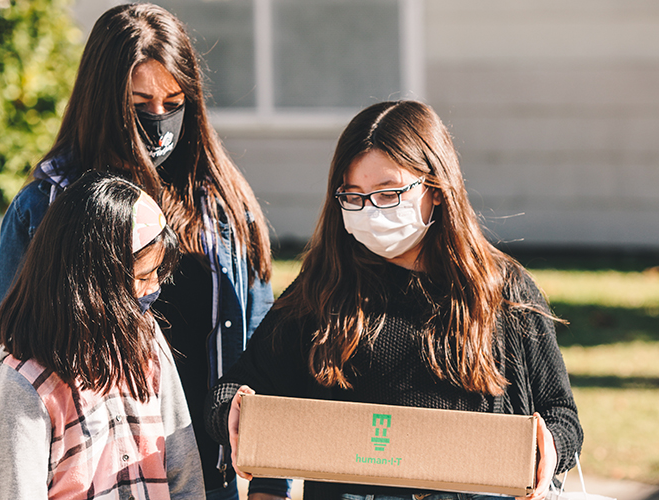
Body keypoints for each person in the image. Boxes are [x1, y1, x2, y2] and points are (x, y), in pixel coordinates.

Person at [204, 100, 583, 500]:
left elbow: (562, 416)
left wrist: (549, 447)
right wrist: (233, 411)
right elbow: (237, 387)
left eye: (388, 194)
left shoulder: (502, 290)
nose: (371, 212)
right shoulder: (324, 288)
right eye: (354, 196)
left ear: (435, 189)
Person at [0, 3, 288, 499]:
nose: (158, 120)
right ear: (103, 100)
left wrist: (271, 483)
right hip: (89, 483)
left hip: (206, 480)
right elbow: (19, 367)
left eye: (173, 101)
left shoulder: (223, 207)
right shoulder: (44, 209)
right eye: (139, 102)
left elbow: (262, 359)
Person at [0, 172, 204, 499]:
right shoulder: (23, 382)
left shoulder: (148, 340)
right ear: (97, 280)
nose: (155, 287)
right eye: (143, 276)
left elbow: (183, 471)